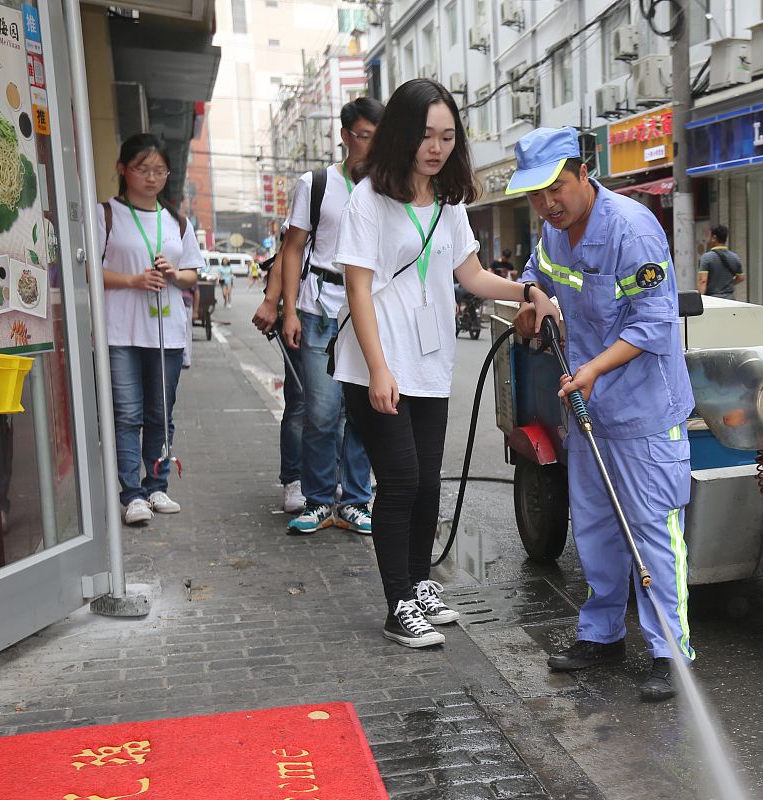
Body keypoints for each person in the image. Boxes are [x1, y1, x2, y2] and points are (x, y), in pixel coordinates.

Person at [332, 79, 559, 648]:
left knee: (427, 483)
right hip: (377, 364)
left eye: (447, 136)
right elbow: (358, 290)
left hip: (429, 359)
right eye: (426, 135)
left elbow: (473, 277)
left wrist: (526, 290)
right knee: (402, 481)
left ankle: (418, 582)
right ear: (403, 136)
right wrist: (379, 369)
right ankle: (396, 604)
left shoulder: (450, 202)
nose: (435, 147)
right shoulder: (368, 201)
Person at [508, 128, 695, 702]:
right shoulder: (551, 231)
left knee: (652, 529)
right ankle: (602, 633)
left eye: (556, 189)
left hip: (641, 408)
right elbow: (537, 276)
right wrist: (529, 303)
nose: (548, 205)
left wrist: (591, 371)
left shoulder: (633, 230)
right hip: (587, 408)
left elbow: (654, 323)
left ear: (583, 171)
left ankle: (670, 650)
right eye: (536, 196)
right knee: (594, 526)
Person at [280, 97, 383, 536]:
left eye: (379, 139)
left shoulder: (386, 188)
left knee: (362, 413)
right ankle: (320, 501)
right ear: (345, 137)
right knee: (321, 412)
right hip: (319, 307)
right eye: (363, 137)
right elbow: (293, 248)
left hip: (369, 310)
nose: (371, 146)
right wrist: (288, 309)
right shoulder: (316, 183)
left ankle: (357, 500)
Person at [98, 133, 202, 525]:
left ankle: (157, 485)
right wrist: (132, 281)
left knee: (161, 413)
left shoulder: (176, 220)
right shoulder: (105, 213)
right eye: (143, 168)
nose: (152, 177)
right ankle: (132, 495)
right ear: (123, 169)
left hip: (166, 333)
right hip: (121, 331)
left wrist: (174, 274)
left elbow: (192, 273)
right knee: (127, 415)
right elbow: (87, 271)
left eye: (159, 170)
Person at [252, 229, 306, 514]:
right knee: (299, 401)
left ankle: (334, 474)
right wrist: (273, 303)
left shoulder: (370, 194)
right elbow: (287, 255)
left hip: (346, 314)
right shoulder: (315, 189)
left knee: (342, 407)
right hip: (304, 313)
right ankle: (294, 479)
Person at [697, 224, 743, 299]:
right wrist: (729, 284)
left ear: (714, 238)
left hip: (713, 300)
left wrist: (699, 300)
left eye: (709, 236)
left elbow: (703, 281)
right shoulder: (735, 257)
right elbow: (741, 278)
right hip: (730, 300)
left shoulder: (706, 258)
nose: (707, 239)